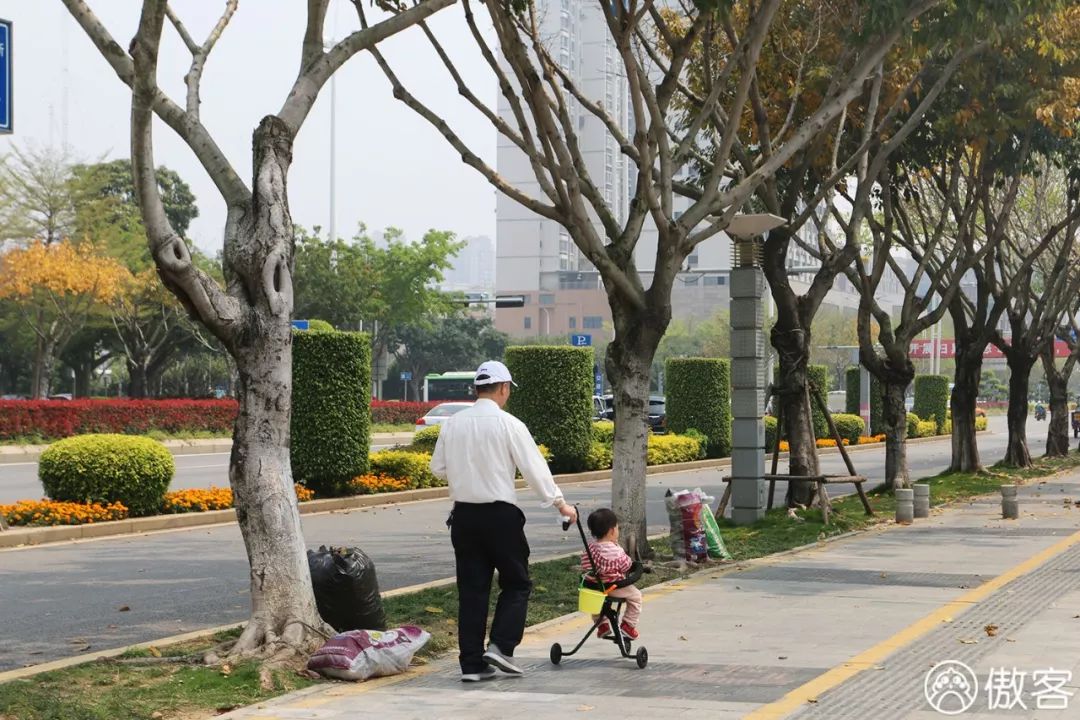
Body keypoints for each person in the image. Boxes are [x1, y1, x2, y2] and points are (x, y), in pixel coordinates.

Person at [430, 360, 577, 683]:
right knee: (517, 582)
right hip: (500, 517)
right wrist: (561, 504)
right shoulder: (509, 424)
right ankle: (501, 645)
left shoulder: (453, 424)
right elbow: (534, 469)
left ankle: (471, 664)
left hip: (464, 517)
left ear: (476, 388)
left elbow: (438, 468)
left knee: (471, 590)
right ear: (503, 388)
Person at [580, 508, 643, 641]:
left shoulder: (590, 549)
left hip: (595, 587)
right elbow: (626, 565)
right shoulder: (616, 550)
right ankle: (628, 625)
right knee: (636, 596)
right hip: (614, 587)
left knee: (597, 602)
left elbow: (585, 565)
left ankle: (602, 624)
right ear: (612, 530)